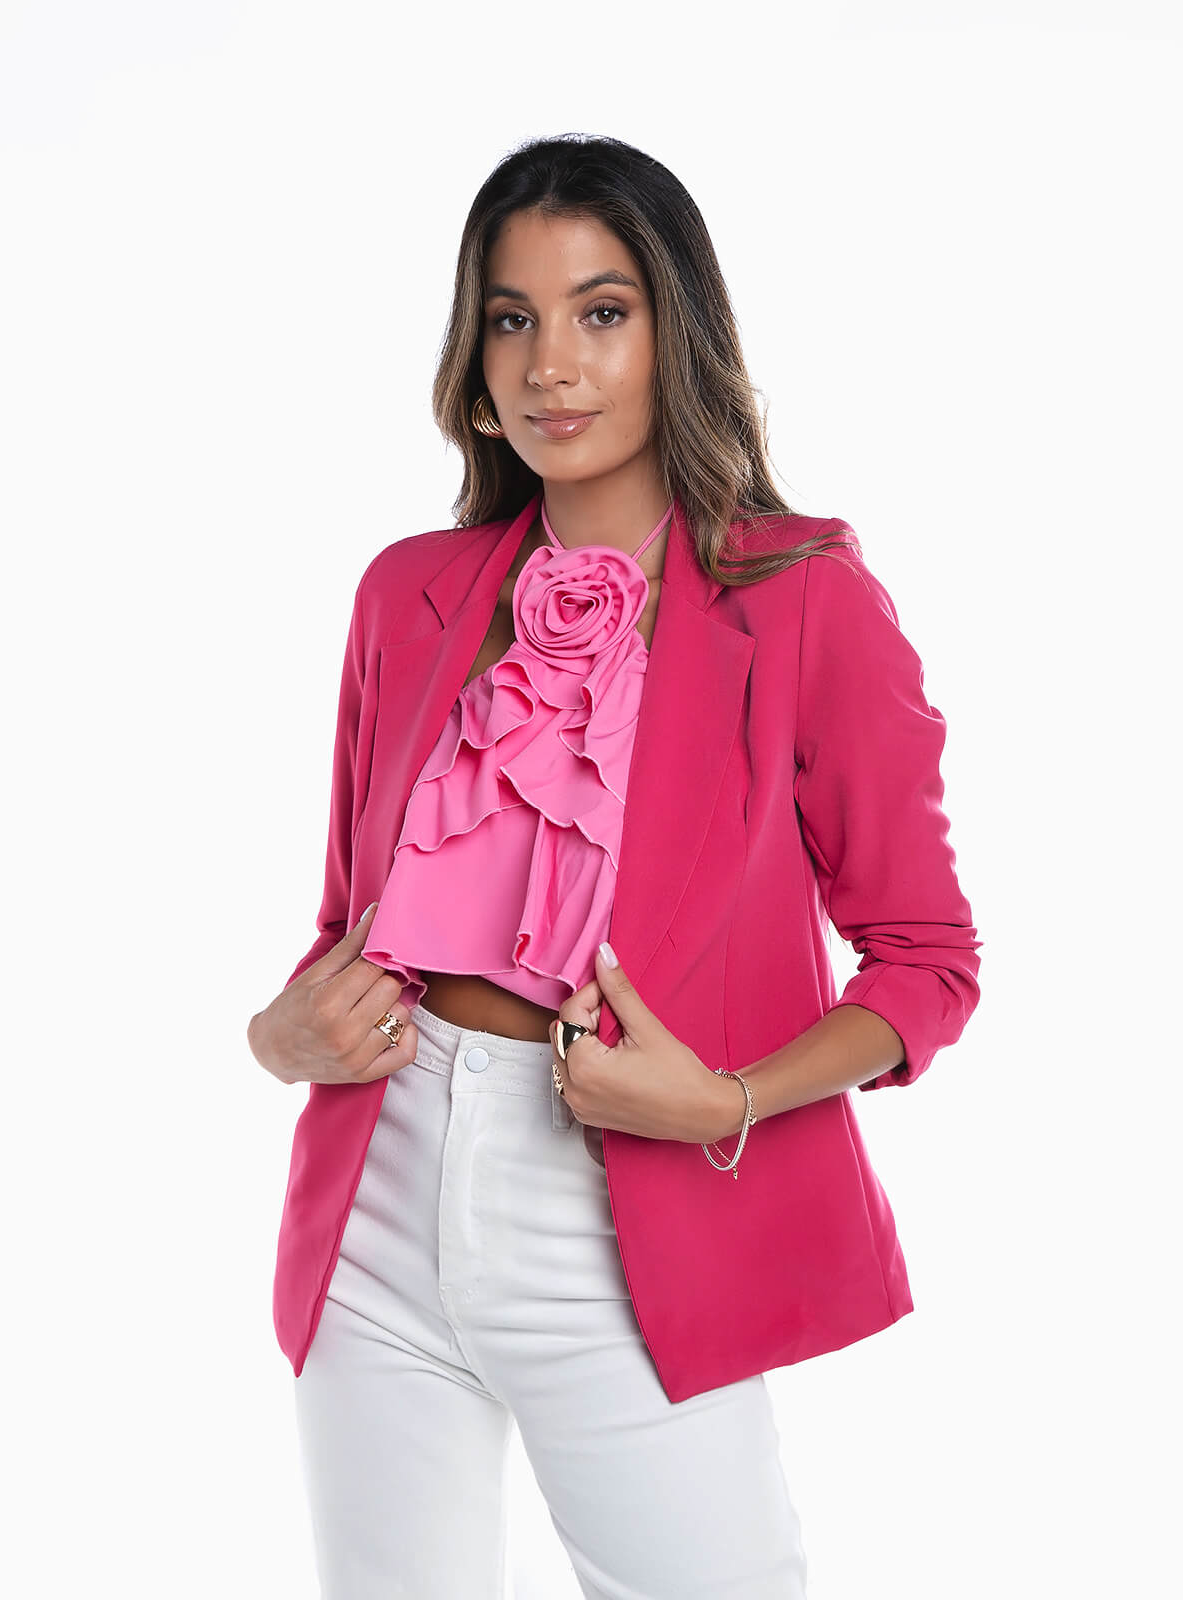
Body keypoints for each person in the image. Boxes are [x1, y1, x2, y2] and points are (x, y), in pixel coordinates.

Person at [247, 133, 982, 1600]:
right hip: (379, 1199)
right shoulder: (407, 594)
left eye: (602, 312)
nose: (552, 366)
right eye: (512, 318)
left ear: (676, 333)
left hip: (627, 1216)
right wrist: (278, 1038)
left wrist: (725, 1099)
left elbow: (928, 962)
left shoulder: (804, 599)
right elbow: (345, 925)